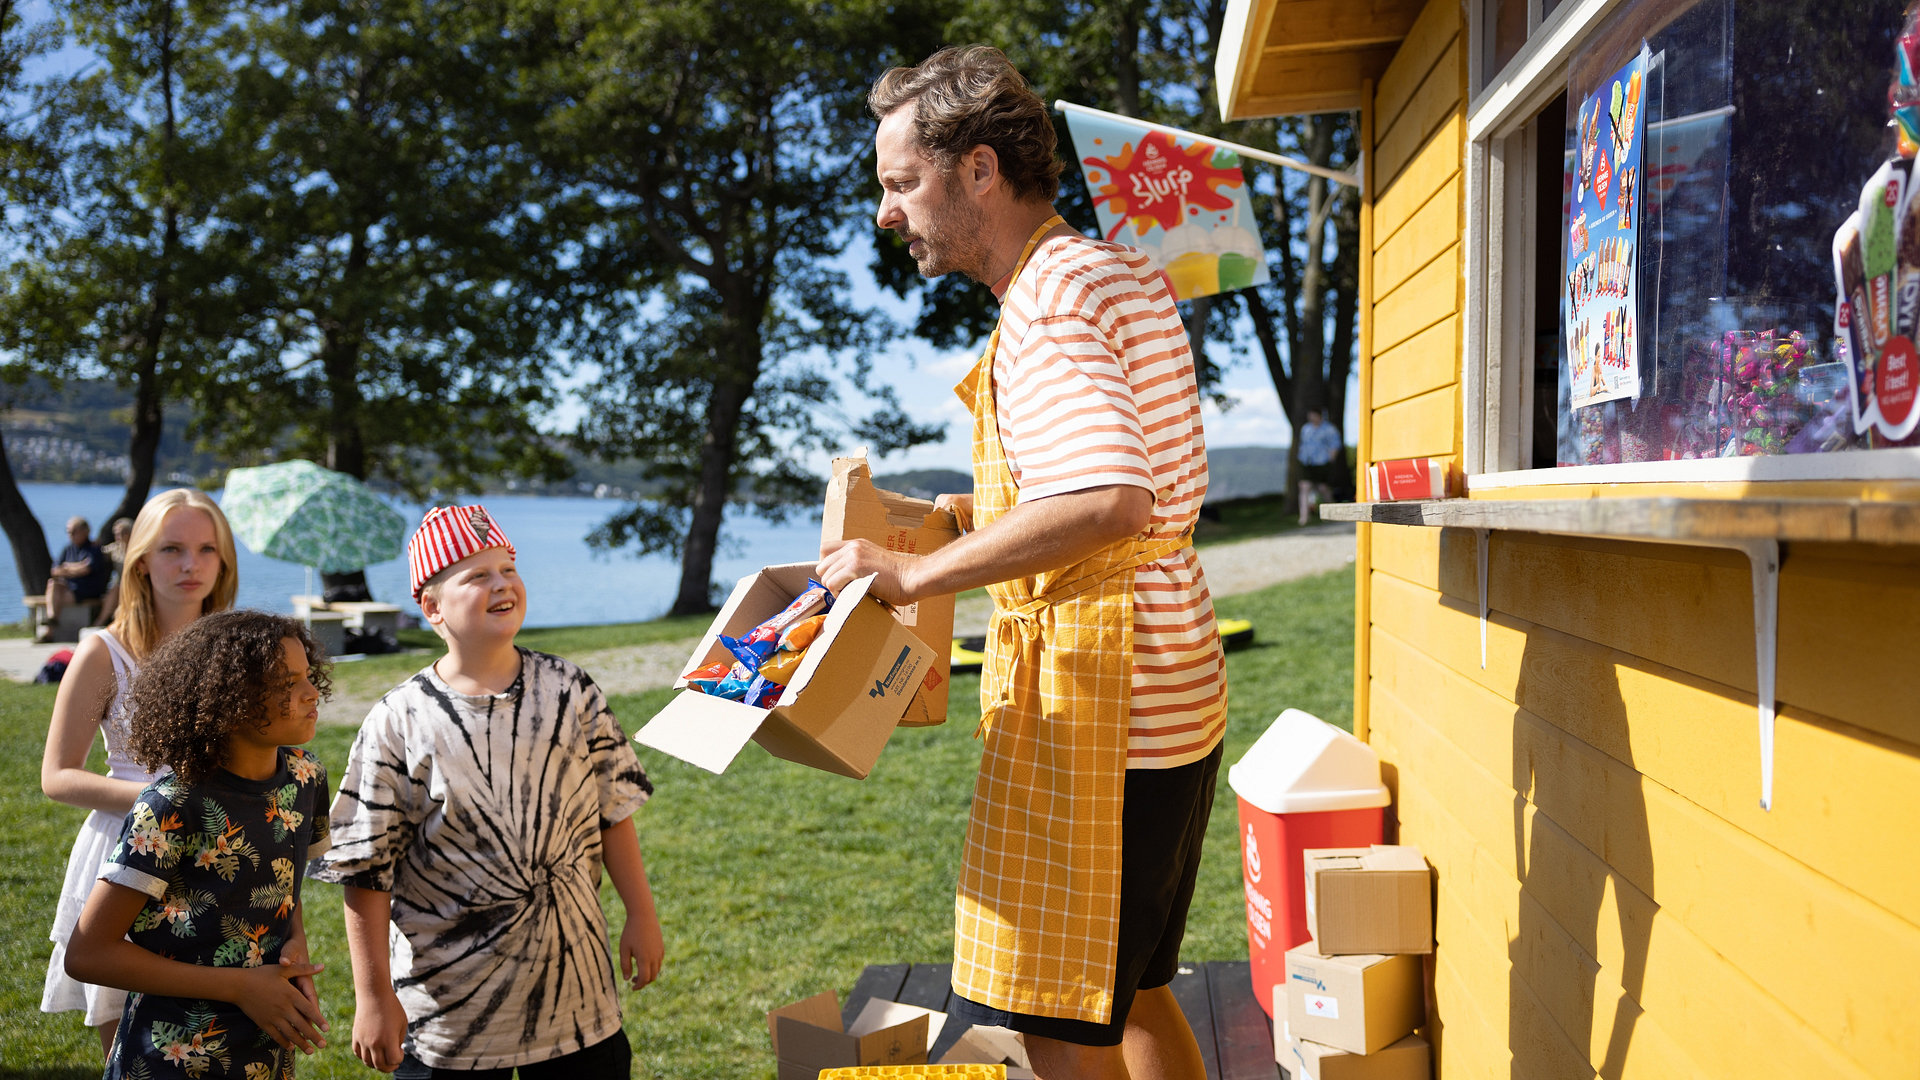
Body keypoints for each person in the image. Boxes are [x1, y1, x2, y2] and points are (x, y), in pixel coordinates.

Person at [816, 46, 1228, 1080]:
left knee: (1050, 1023)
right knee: (1130, 996)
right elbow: (1111, 485)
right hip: (1172, 691)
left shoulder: (1047, 299)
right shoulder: (1114, 269)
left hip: (1106, 714)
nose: (887, 213)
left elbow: (1107, 498)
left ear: (979, 172)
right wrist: (969, 511)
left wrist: (908, 578)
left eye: (900, 182)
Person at [309, 504, 663, 1078]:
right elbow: (363, 870)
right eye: (475, 575)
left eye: (507, 569)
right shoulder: (399, 721)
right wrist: (373, 998)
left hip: (578, 1004)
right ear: (431, 608)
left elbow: (614, 810)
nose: (501, 583)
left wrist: (641, 915)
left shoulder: (571, 691)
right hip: (451, 1018)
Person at [63, 609, 334, 1078]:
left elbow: (282, 881)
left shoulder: (306, 778)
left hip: (263, 1051)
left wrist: (295, 942)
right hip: (167, 1058)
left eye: (308, 677)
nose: (311, 693)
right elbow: (88, 953)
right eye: (286, 683)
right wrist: (241, 988)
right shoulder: (173, 805)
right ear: (227, 700)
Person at [40, 489, 240, 1058]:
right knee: (136, 1052)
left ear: (223, 560)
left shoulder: (238, 652)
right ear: (140, 559)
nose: (190, 564)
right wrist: (163, 800)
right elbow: (57, 776)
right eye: (171, 548)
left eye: (206, 549)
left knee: (224, 1039)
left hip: (220, 851)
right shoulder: (104, 652)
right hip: (128, 855)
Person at [42, 516, 113, 639]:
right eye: (68, 531)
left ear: (85, 531)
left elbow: (86, 569)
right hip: (69, 588)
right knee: (53, 584)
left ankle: (50, 631)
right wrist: (75, 567)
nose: (71, 534)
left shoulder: (94, 548)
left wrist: (66, 567)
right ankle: (51, 618)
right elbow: (55, 570)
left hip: (87, 589)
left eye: (74, 531)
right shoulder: (68, 548)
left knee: (57, 597)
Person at [1295, 408, 1346, 524]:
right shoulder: (1306, 428)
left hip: (1322, 462)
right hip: (1307, 462)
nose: (1311, 418)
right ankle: (1304, 517)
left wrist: (1331, 458)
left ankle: (1332, 514)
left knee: (1323, 488)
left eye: (1313, 415)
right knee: (1304, 487)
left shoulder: (1329, 429)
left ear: (1320, 416)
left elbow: (1335, 444)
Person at [94, 517, 134, 627]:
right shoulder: (115, 549)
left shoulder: (137, 548)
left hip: (136, 583)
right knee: (115, 589)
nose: (119, 537)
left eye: (122, 533)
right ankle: (101, 622)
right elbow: (100, 552)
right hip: (121, 584)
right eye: (116, 534)